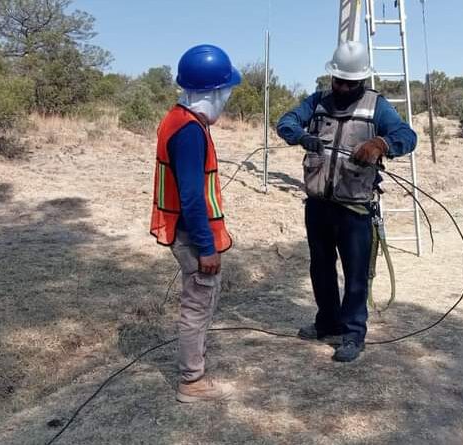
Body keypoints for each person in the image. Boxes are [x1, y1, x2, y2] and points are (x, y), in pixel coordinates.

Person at [276, 41, 417, 362]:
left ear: (362, 80)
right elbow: (286, 122)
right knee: (321, 268)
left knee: (356, 275)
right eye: (337, 81)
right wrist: (301, 136)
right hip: (318, 206)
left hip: (355, 210)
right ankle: (327, 323)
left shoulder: (377, 106)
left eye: (349, 83)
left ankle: (353, 335)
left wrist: (381, 143)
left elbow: (408, 136)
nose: (341, 87)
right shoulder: (317, 101)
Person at [150, 44, 241, 402]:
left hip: (187, 231)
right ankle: (192, 381)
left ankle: (195, 367)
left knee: (199, 300)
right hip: (192, 235)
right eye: (226, 93)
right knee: (197, 303)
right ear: (213, 92)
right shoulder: (188, 131)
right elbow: (191, 197)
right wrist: (206, 247)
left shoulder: (179, 119)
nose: (227, 101)